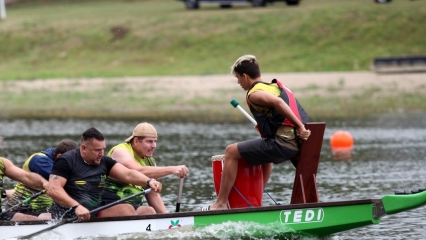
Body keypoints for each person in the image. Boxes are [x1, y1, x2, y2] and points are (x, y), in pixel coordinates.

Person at [207, 54, 311, 211]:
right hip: (301, 144)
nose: (238, 82)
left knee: (231, 151)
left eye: (238, 78)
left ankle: (221, 203)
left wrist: (299, 127)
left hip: (286, 144)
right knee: (262, 155)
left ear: (245, 76)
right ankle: (256, 203)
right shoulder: (274, 87)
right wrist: (264, 127)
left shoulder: (255, 93)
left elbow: (278, 102)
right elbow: (278, 114)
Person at [48, 127, 163, 222]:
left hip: (95, 211)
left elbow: (128, 174)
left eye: (103, 149)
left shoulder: (104, 161)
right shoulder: (66, 161)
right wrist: (76, 206)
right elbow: (53, 188)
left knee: (147, 211)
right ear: (84, 148)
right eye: (97, 150)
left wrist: (149, 181)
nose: (101, 154)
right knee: (125, 209)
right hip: (68, 214)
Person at [102, 123, 189, 214]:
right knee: (127, 210)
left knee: (149, 211)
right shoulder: (120, 151)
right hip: (108, 205)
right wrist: (171, 169)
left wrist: (168, 220)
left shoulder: (150, 162)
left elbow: (153, 196)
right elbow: (138, 171)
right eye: (149, 141)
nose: (154, 145)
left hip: (133, 209)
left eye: (155, 141)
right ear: (136, 141)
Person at [8, 139, 78, 217]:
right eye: (70, 162)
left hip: (43, 209)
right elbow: (71, 181)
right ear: (59, 156)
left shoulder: (58, 158)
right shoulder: (40, 161)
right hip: (21, 208)